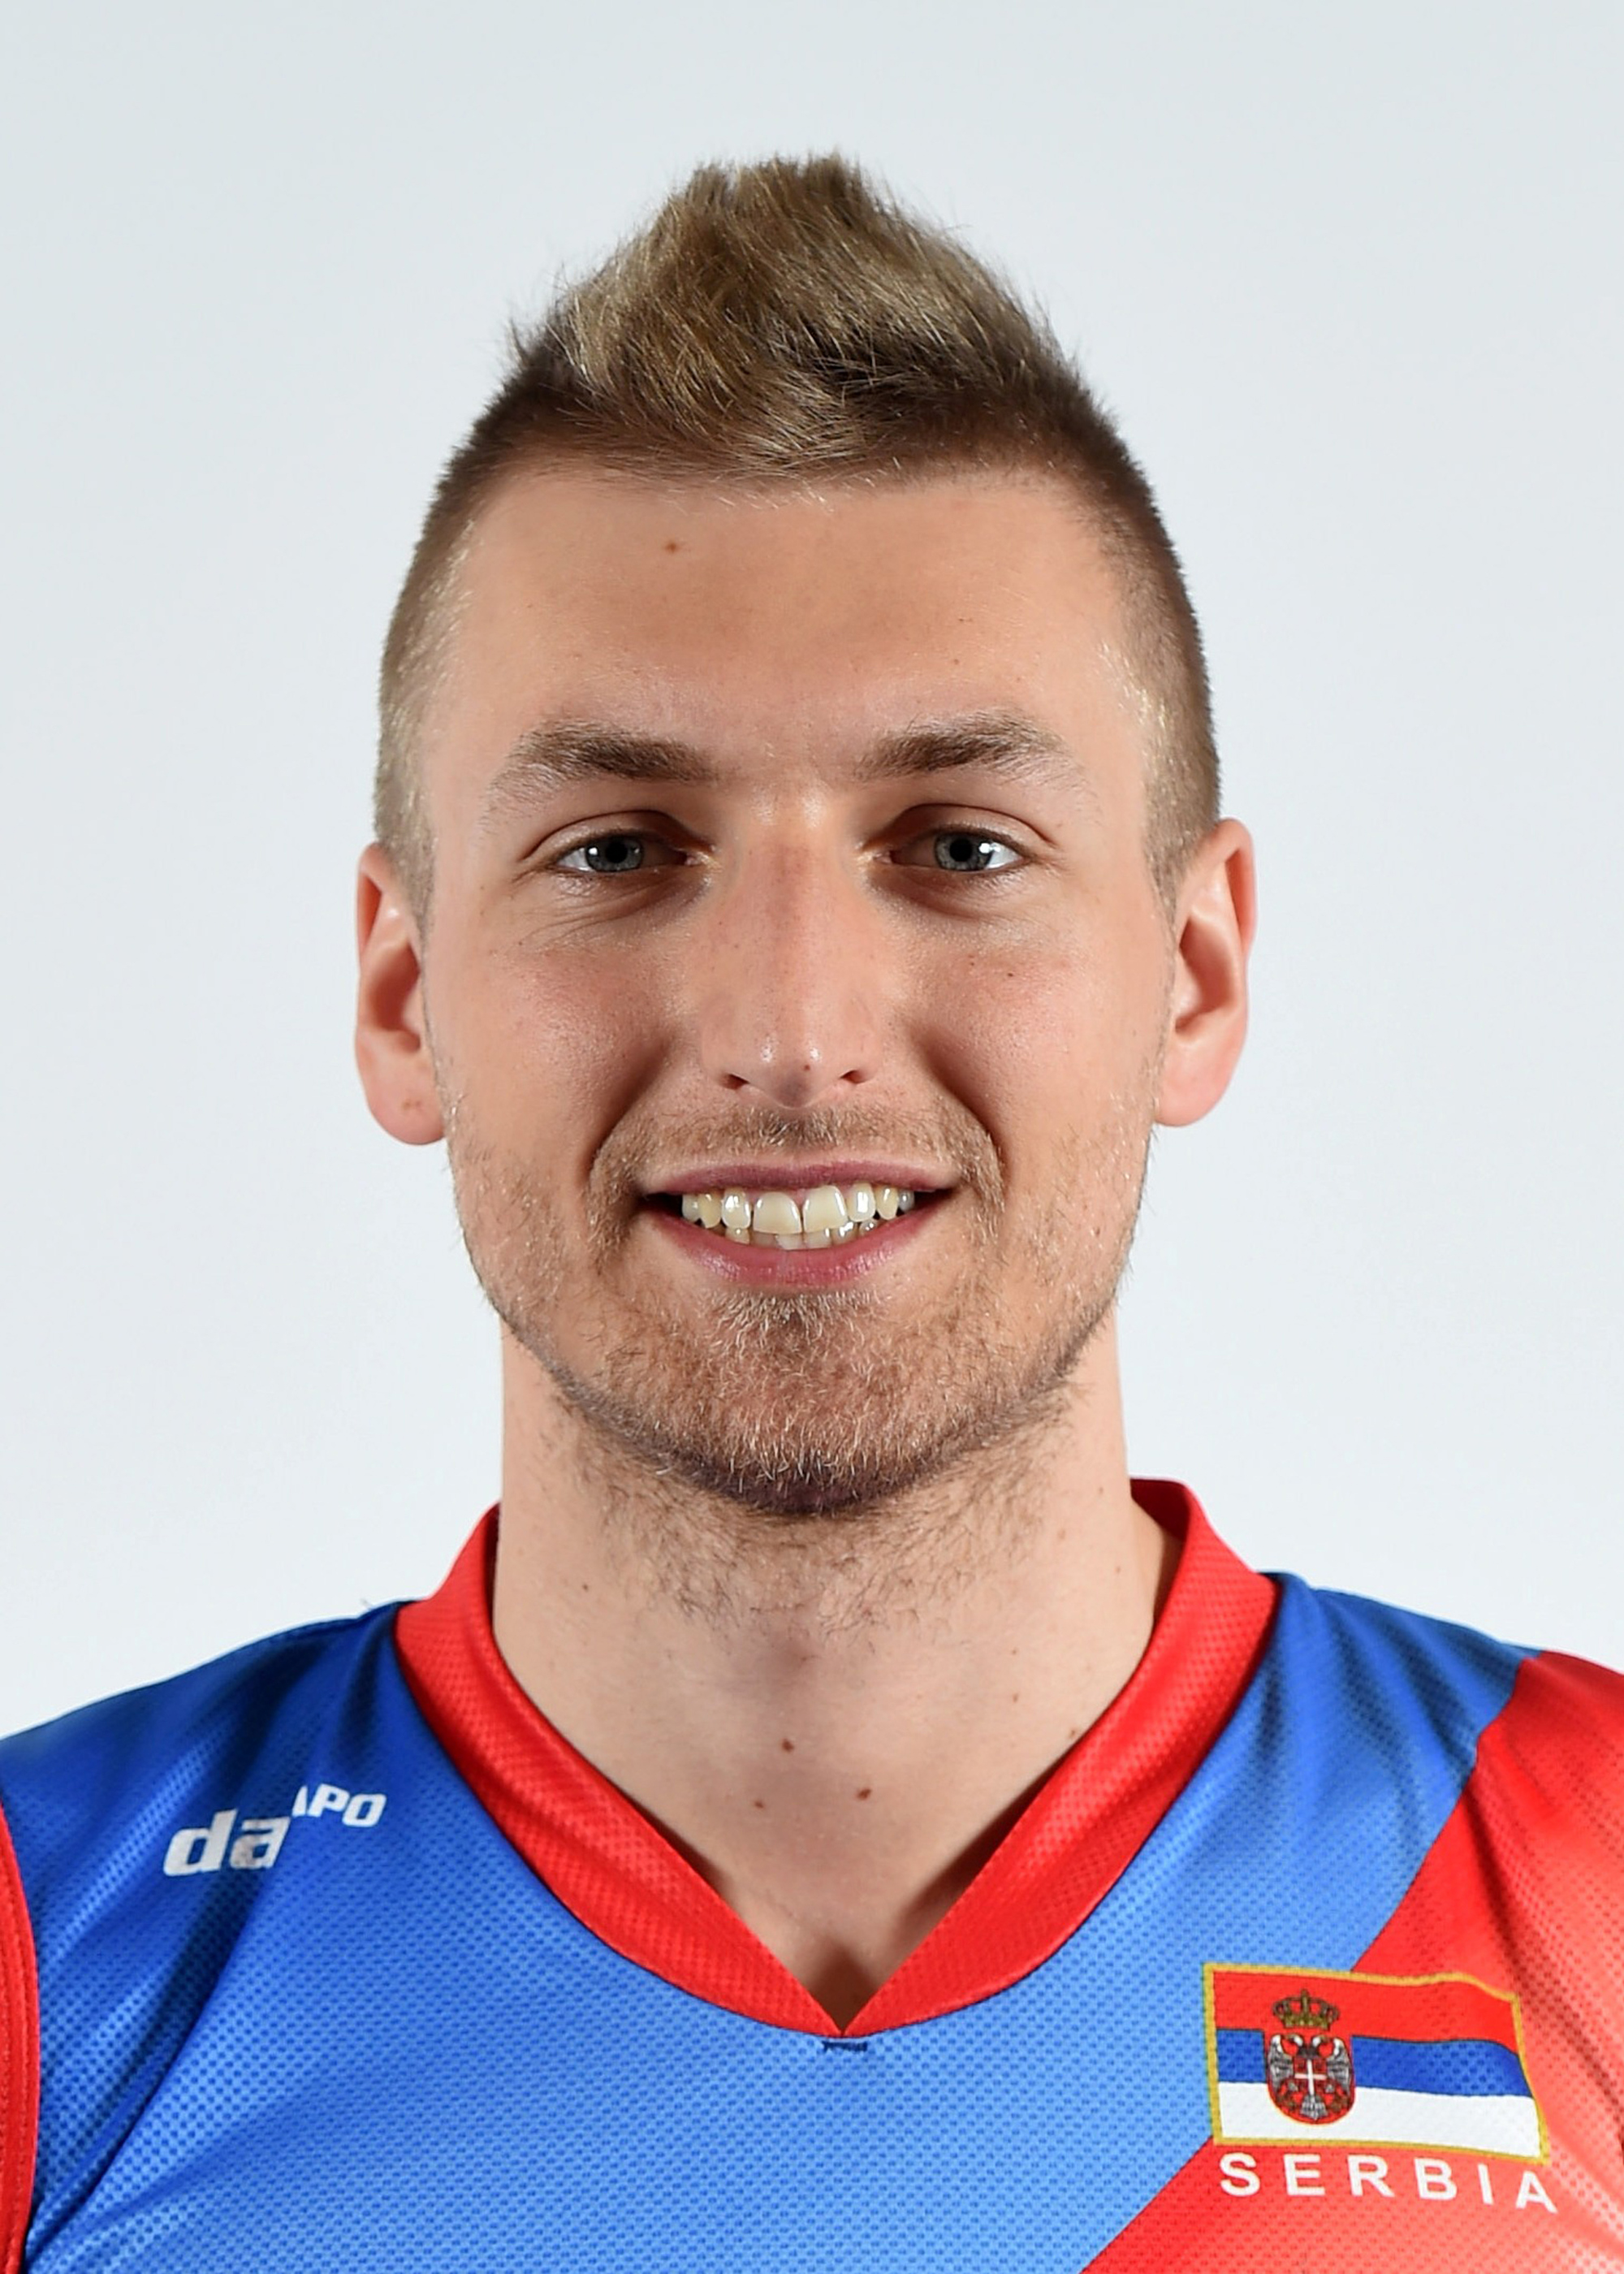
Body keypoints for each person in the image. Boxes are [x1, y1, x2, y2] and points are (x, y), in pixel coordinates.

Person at [1, 154, 1620, 2274]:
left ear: (1196, 972)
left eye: (958, 847)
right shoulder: (52, 1956)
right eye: (616, 849)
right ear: (402, 1000)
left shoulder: (1589, 1883)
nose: (789, 1031)